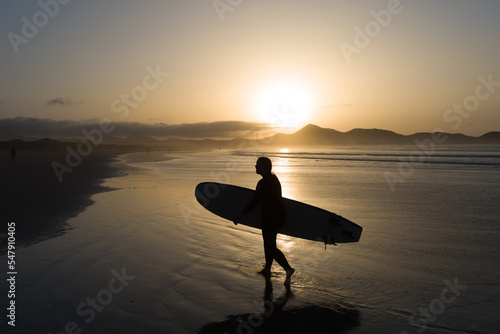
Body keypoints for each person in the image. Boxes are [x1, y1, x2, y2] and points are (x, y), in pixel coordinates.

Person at [234, 157, 295, 284]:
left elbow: (255, 202)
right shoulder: (273, 179)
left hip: (271, 218)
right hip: (277, 217)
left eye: (258, 165)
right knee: (268, 243)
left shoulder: (264, 182)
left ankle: (288, 269)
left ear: (265, 167)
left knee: (270, 246)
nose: (255, 166)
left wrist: (241, 215)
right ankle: (268, 268)